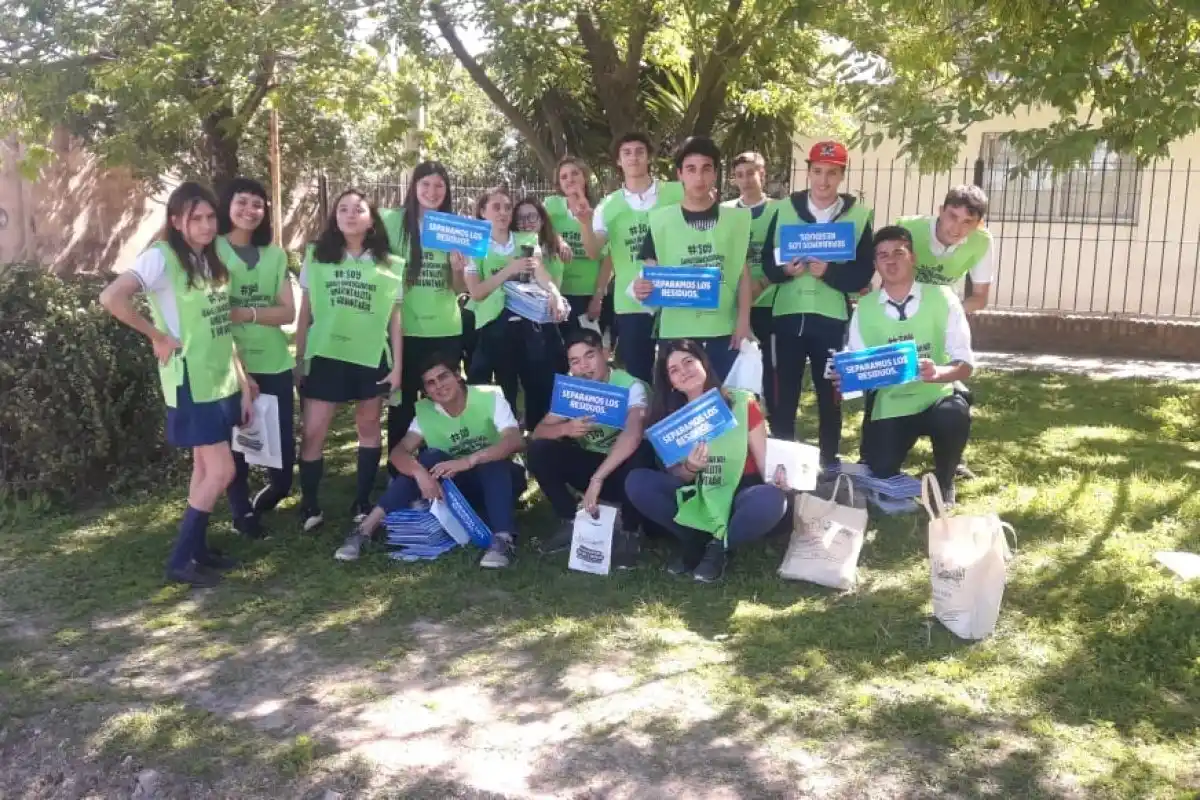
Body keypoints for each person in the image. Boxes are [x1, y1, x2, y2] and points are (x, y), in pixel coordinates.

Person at [100, 182, 256, 588]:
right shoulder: (161, 258)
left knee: (205, 468)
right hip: (191, 382)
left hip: (220, 379)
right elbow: (112, 298)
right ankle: (180, 559)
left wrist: (242, 381)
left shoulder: (211, 259)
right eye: (196, 219)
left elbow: (221, 326)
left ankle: (198, 550)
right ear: (176, 221)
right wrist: (157, 336)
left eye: (209, 218)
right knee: (221, 471)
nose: (206, 226)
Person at [334, 354, 526, 569]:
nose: (439, 386)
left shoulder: (489, 398)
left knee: (492, 460)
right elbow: (399, 452)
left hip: (501, 479)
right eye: (431, 383)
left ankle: (503, 540)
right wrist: (419, 473)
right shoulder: (426, 412)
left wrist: (469, 461)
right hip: (455, 488)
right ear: (426, 392)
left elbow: (514, 441)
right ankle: (365, 530)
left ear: (458, 376)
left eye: (443, 377)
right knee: (428, 458)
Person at [624, 340, 789, 584]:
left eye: (688, 361)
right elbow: (678, 477)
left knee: (772, 500)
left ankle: (719, 546)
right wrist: (691, 467)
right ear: (670, 381)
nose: (684, 372)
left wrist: (778, 479)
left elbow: (765, 463)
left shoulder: (742, 402)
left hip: (740, 492)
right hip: (697, 494)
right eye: (674, 370)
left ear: (704, 363)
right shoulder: (669, 419)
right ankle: (696, 539)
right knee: (637, 482)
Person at [834, 226, 974, 504]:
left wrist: (938, 373)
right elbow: (859, 367)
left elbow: (965, 365)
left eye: (899, 252)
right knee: (881, 469)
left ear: (912, 257)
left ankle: (945, 481)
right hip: (892, 403)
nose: (891, 261)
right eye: (883, 255)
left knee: (954, 415)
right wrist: (846, 379)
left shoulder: (943, 298)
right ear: (875, 264)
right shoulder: (865, 308)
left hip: (935, 396)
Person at [293, 189, 404, 531]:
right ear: (334, 217)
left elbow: (394, 319)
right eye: (343, 209)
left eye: (359, 209)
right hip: (326, 355)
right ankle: (309, 504)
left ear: (372, 220)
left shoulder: (389, 264)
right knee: (314, 433)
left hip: (370, 357)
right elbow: (305, 312)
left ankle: (362, 501)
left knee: (369, 428)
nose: (350, 214)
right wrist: (299, 357)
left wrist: (398, 365)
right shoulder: (317, 256)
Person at [761, 140, 874, 471]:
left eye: (832, 173)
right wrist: (784, 271)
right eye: (818, 172)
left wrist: (831, 273)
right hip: (786, 317)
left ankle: (828, 460)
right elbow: (767, 261)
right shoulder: (782, 210)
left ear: (842, 176)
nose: (823, 181)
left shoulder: (859, 215)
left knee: (831, 393)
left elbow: (863, 271)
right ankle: (783, 460)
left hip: (832, 318)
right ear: (808, 171)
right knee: (785, 393)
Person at [633, 136, 753, 382]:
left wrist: (743, 323)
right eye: (691, 169)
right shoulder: (660, 221)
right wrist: (641, 287)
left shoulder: (736, 220)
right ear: (680, 174)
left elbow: (743, 275)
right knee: (677, 406)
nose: (699, 178)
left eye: (706, 169)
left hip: (723, 329)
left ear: (715, 173)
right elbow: (649, 274)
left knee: (722, 403)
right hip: (677, 331)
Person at [215, 178, 297, 538]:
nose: (250, 210)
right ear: (227, 205)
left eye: (257, 204)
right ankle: (242, 514)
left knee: (282, 456)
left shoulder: (276, 254)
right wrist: (260, 311)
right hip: (228, 362)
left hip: (275, 360)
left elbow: (287, 313)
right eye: (242, 202)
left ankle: (269, 497)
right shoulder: (212, 249)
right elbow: (214, 313)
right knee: (238, 444)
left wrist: (245, 312)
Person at [527, 329, 650, 566]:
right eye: (575, 361)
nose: (584, 366)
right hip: (592, 464)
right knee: (539, 449)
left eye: (589, 356)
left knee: (641, 449)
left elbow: (634, 434)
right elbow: (538, 433)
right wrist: (565, 429)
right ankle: (570, 520)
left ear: (605, 353)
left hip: (627, 472)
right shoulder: (573, 389)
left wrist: (597, 479)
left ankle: (630, 532)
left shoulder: (630, 385)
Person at [378, 162, 468, 468]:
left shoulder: (454, 226)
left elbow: (459, 289)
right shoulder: (392, 221)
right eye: (425, 184)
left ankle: (440, 465)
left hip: (445, 329)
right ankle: (398, 469)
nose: (432, 192)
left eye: (439, 186)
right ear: (414, 187)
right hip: (404, 331)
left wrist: (458, 270)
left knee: (442, 402)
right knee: (401, 404)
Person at [579, 132, 685, 382]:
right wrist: (584, 223)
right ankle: (645, 421)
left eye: (639, 151)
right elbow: (594, 252)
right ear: (618, 161)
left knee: (681, 371)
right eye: (627, 153)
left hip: (676, 295)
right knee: (640, 375)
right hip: (632, 302)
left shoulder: (677, 192)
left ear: (649, 156)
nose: (634, 158)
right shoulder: (608, 205)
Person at [465, 187, 566, 431]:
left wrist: (555, 293)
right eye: (496, 207)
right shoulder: (475, 245)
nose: (503, 213)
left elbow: (541, 274)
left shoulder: (526, 241)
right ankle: (505, 445)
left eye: (507, 207)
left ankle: (538, 444)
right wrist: (509, 271)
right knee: (503, 389)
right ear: (482, 211)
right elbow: (477, 292)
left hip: (529, 326)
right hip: (494, 329)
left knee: (537, 387)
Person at [722, 151, 778, 417]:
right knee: (738, 367)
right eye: (739, 175)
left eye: (751, 173)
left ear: (762, 174)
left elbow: (785, 253)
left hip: (770, 300)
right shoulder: (724, 211)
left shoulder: (779, 210)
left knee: (772, 368)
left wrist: (763, 282)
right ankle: (742, 418)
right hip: (734, 303)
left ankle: (772, 421)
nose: (745, 180)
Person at [544, 156, 613, 336]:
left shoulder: (600, 211)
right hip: (558, 291)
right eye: (564, 176)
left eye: (575, 173)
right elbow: (541, 226)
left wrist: (598, 297)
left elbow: (607, 260)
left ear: (585, 177)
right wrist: (559, 241)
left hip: (587, 294)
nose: (570, 179)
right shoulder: (552, 204)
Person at [897, 185, 993, 312]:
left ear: (978, 224)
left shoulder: (982, 241)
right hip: (900, 305)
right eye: (953, 216)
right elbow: (887, 281)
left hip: (945, 308)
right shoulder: (906, 228)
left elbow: (980, 298)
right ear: (941, 211)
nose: (956, 229)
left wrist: (949, 314)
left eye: (967, 222)